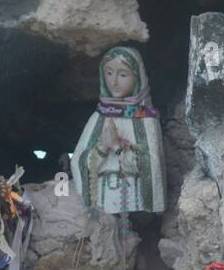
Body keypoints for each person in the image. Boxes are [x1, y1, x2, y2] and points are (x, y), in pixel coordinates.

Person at [71, 46, 166, 216]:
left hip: (134, 201)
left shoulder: (146, 119)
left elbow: (152, 166)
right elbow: (79, 160)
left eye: (122, 75)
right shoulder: (99, 117)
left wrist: (117, 147)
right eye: (108, 73)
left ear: (137, 77)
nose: (114, 82)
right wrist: (101, 149)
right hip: (103, 199)